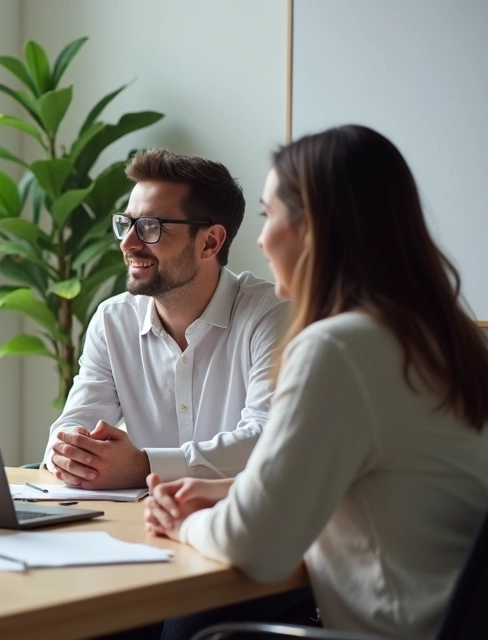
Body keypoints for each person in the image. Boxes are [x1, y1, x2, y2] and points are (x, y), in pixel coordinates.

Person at [144, 125, 488, 637]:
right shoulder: (446, 339)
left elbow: (256, 547)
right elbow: (381, 479)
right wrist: (229, 490)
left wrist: (183, 524)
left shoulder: (338, 349)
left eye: (268, 215)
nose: (259, 239)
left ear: (314, 228)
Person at [43, 149, 288, 490]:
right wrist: (69, 452)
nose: (128, 243)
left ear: (210, 242)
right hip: (142, 524)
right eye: (126, 224)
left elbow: (269, 438)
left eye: (149, 227)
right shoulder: (113, 321)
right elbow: (73, 423)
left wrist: (145, 466)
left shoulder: (272, 316)